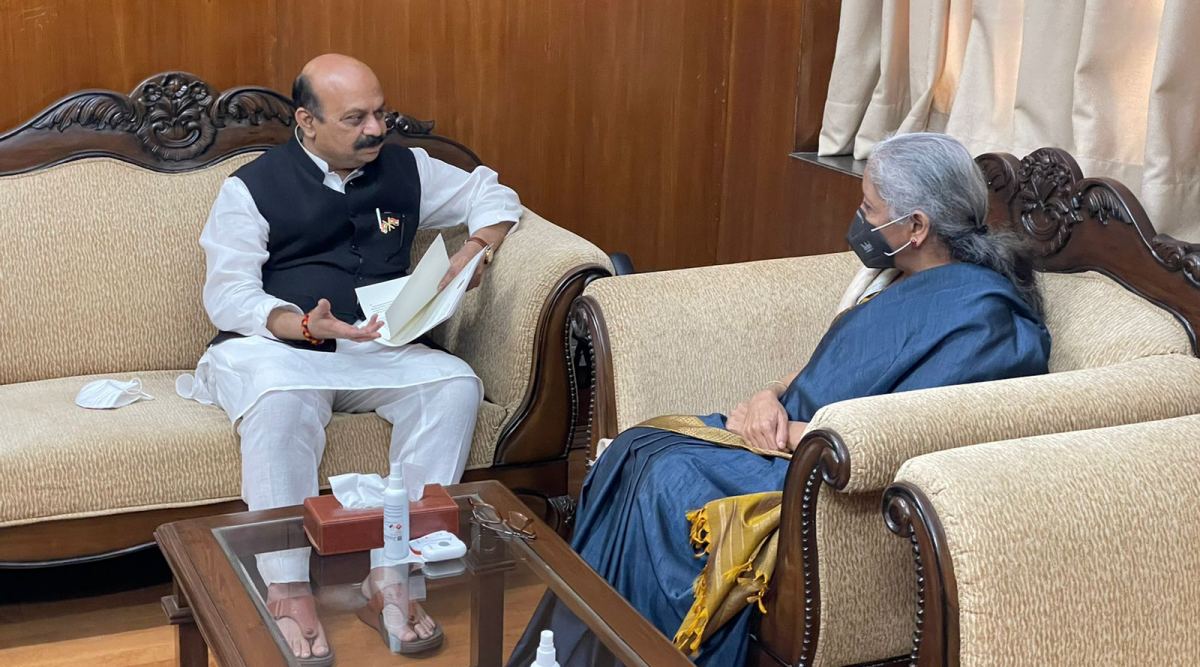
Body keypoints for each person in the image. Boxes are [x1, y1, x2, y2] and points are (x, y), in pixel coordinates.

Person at [509, 133, 1052, 666]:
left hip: (818, 474)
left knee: (662, 477)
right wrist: (767, 397)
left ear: (915, 226)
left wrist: (783, 432)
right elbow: (817, 371)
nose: (860, 219)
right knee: (637, 449)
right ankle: (583, 653)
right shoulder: (890, 276)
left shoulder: (985, 319)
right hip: (785, 435)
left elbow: (907, 431)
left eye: (870, 208)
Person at [176, 54, 522, 663]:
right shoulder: (251, 187)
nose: (376, 129)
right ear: (306, 122)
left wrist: (475, 249)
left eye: (380, 112)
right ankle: (285, 590)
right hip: (275, 349)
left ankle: (391, 574)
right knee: (282, 402)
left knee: (454, 386)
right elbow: (228, 295)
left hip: (373, 346)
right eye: (356, 117)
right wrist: (300, 323)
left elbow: (492, 193)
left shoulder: (406, 167)